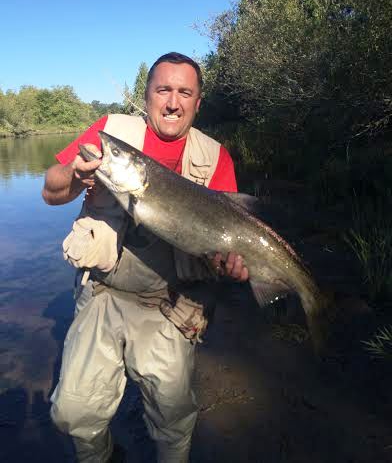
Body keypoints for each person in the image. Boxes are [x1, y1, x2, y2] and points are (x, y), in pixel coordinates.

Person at [42, 52, 248, 463]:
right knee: (73, 412)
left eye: (184, 92)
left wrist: (234, 264)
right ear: (147, 95)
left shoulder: (216, 156)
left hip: (170, 304)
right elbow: (51, 189)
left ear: (198, 102)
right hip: (102, 292)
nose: (173, 102)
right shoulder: (110, 133)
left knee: (173, 416)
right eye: (164, 90)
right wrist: (77, 176)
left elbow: (229, 242)